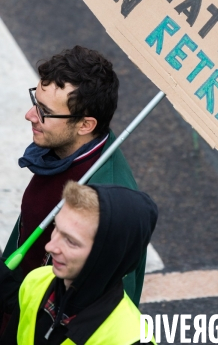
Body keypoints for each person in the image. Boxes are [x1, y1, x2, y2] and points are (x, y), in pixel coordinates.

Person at [2, 45, 146, 307]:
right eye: (36, 101)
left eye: (45, 111)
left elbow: (103, 306)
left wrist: (21, 303)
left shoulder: (104, 206)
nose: (30, 115)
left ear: (85, 125)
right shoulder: (57, 151)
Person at [0, 181, 158, 344]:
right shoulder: (36, 281)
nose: (50, 246)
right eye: (56, 227)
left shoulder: (132, 339)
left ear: (106, 257)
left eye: (70, 241)